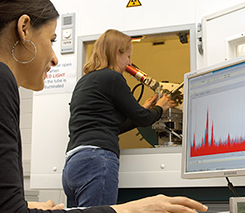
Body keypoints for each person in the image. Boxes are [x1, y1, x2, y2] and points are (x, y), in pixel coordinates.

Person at [0, 1, 208, 213]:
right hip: (99, 159)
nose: (54, 58)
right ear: (24, 28)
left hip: (73, 162)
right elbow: (140, 118)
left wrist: (27, 207)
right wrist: (130, 209)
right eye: (51, 39)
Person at [62, 29, 176, 208]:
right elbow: (144, 120)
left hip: (73, 163)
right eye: (128, 56)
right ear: (117, 53)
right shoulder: (112, 77)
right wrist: (161, 107)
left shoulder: (85, 81)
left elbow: (112, 126)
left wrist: (145, 109)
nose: (129, 62)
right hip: (97, 160)